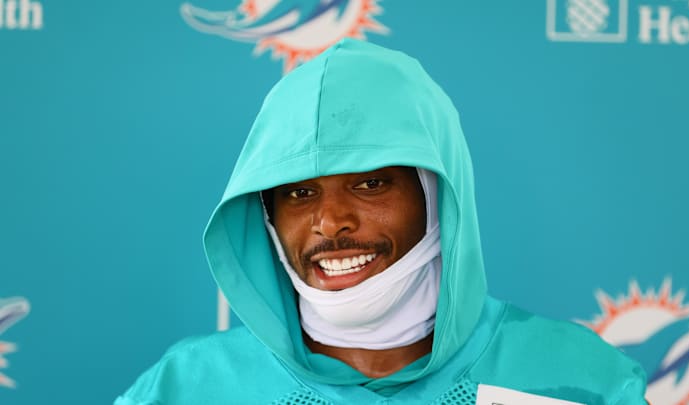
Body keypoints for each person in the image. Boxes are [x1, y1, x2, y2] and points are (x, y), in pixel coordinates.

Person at [116, 39, 647, 404]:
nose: (330, 221)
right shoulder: (188, 388)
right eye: (300, 192)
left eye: (370, 183)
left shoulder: (581, 380)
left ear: (437, 194)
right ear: (268, 216)